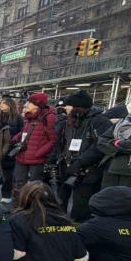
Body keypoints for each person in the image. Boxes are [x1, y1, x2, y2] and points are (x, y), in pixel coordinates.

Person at [6, 181, 88, 261]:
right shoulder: (65, 221)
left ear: (24, 198)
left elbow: (16, 254)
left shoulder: (17, 220)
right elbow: (80, 258)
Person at [50, 90, 111, 222]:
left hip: (87, 170)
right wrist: (53, 159)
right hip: (66, 166)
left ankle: (80, 231)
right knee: (60, 200)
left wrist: (79, 162)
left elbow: (98, 147)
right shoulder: (68, 122)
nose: (65, 107)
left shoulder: (99, 122)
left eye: (68, 105)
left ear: (77, 107)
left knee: (81, 205)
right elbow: (62, 143)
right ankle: (59, 225)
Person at [11, 93, 57, 206]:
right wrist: (16, 138)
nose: (27, 104)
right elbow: (26, 133)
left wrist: (39, 153)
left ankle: (33, 207)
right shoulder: (29, 117)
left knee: (35, 185)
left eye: (30, 102)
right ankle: (17, 206)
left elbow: (53, 139)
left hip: (37, 158)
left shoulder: (49, 117)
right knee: (18, 183)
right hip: (22, 154)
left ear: (37, 105)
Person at [0, 97, 24, 204]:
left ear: (10, 105)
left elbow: (21, 133)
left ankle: (7, 194)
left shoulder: (17, 118)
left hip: (11, 149)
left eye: (3, 103)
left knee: (8, 174)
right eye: (0, 103)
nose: (1, 105)